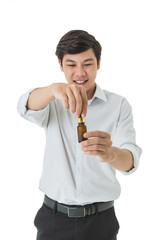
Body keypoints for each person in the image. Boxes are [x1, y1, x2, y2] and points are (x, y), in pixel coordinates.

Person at [17, 30, 142, 240]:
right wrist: (53, 89)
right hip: (53, 219)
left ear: (99, 64)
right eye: (71, 65)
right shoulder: (52, 101)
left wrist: (110, 154)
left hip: (101, 221)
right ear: (60, 66)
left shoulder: (119, 105)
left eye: (87, 63)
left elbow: (131, 161)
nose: (80, 73)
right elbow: (24, 107)